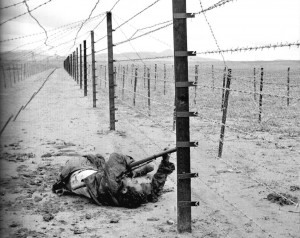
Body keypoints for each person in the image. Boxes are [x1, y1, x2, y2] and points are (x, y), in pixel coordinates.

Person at [52, 150, 175, 208]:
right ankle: (138, 171)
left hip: (78, 175)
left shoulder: (112, 186)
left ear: (125, 190)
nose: (137, 182)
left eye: (134, 183)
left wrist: (130, 163)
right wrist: (165, 161)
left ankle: (137, 170)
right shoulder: (136, 197)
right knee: (103, 162)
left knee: (98, 158)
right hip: (96, 178)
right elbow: (155, 189)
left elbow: (115, 157)